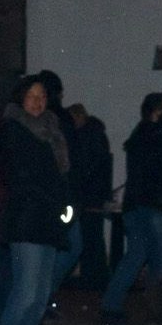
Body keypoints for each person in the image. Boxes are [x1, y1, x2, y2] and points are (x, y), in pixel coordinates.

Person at [0, 75, 72, 325]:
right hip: (26, 219)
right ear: (20, 99)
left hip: (48, 220)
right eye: (32, 96)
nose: (37, 102)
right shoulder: (13, 130)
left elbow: (60, 178)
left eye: (42, 96)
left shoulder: (52, 132)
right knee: (24, 294)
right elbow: (21, 177)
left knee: (39, 297)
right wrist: (51, 196)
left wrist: (64, 205)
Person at [102, 92, 162, 325]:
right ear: (156, 111)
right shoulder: (153, 136)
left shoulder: (146, 134)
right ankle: (148, 307)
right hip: (150, 205)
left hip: (141, 204)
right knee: (159, 258)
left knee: (139, 255)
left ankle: (113, 305)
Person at [65, 102, 114, 289]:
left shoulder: (86, 136)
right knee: (93, 237)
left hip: (88, 195)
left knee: (89, 237)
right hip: (94, 195)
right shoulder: (96, 134)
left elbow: (85, 168)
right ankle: (96, 278)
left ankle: (93, 279)